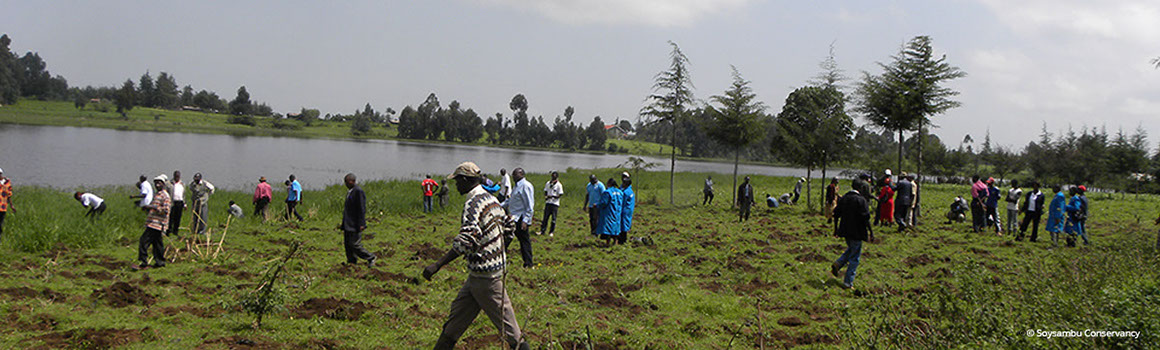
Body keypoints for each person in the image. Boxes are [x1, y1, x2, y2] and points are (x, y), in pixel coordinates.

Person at [422, 162, 530, 350]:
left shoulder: (473, 204)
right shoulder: (492, 199)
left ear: (465, 180)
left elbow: (467, 240)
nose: (456, 185)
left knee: (512, 333)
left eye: (457, 181)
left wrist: (437, 265)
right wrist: (496, 251)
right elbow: (509, 228)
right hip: (477, 276)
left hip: (487, 279)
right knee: (453, 325)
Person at [830, 178, 873, 290]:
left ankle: (838, 263)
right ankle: (848, 283)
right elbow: (866, 218)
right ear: (861, 188)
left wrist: (836, 229)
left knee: (852, 249)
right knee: (855, 257)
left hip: (845, 230)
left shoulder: (844, 198)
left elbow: (836, 214)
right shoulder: (861, 200)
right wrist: (871, 232)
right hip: (857, 231)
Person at [338, 173, 376, 266]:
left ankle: (370, 257)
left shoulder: (358, 191)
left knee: (354, 244)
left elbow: (361, 208)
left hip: (355, 223)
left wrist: (362, 223)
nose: (345, 184)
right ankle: (351, 262)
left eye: (347, 182)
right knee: (347, 244)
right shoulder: (350, 191)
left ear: (352, 181)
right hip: (348, 223)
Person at [136, 175, 170, 270]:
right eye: (156, 183)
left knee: (143, 242)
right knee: (157, 244)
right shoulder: (158, 194)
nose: (157, 185)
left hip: (157, 224)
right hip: (153, 223)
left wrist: (152, 207)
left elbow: (166, 210)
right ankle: (160, 262)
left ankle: (143, 262)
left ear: (163, 184)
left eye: (159, 183)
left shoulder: (165, 196)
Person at [502, 168, 535, 268]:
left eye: (516, 175)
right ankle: (500, 259)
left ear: (522, 174)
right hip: (513, 218)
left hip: (520, 219)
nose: (513, 177)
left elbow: (529, 205)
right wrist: (498, 205)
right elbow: (510, 201)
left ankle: (529, 264)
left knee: (524, 242)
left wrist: (526, 220)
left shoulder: (525, 186)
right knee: (506, 239)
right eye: (513, 175)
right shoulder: (516, 187)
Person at [598, 178, 623, 245]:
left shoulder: (607, 192)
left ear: (609, 184)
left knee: (608, 228)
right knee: (616, 228)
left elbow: (604, 203)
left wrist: (597, 205)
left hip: (609, 212)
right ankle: (615, 242)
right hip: (617, 213)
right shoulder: (620, 192)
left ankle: (608, 243)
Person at [540, 171, 563, 237]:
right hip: (548, 203)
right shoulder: (548, 183)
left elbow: (560, 194)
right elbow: (545, 191)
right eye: (552, 176)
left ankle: (551, 232)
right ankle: (542, 231)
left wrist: (552, 196)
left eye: (554, 177)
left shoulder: (559, 185)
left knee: (553, 219)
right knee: (545, 218)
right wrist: (546, 197)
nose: (553, 178)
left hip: (555, 204)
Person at [619, 173, 635, 245]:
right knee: (626, 223)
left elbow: (622, 202)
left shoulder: (625, 192)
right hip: (629, 209)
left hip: (625, 210)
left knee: (623, 224)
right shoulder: (631, 191)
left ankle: (622, 240)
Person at [168, 171, 185, 236]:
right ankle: (169, 231)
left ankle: (175, 231)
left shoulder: (182, 184)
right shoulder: (171, 184)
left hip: (180, 202)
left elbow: (183, 195)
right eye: (176, 176)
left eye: (178, 176)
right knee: (171, 217)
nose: (177, 177)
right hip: (173, 202)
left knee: (178, 217)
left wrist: (184, 203)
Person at [0, 168, 11, 238]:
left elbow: (9, 194)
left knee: (0, 223)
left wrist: (12, 205)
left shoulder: (6, 182)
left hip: (3, 207)